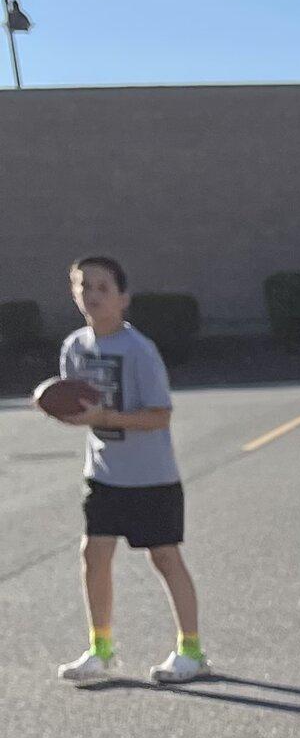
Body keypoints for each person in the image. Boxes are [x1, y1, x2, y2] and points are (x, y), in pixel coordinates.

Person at [52, 255, 207, 685]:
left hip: (152, 477)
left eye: (103, 288)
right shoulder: (74, 347)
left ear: (123, 298)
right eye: (85, 287)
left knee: (165, 558)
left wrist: (106, 417)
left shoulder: (139, 351)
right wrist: (55, 408)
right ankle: (101, 650)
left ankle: (191, 651)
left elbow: (159, 416)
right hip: (103, 475)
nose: (93, 295)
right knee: (93, 554)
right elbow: (75, 408)